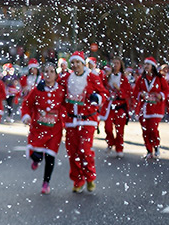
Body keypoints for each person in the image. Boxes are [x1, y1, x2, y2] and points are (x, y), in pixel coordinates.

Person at [60, 51, 108, 193]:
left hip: (88, 119)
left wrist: (96, 98)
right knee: (73, 152)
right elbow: (56, 90)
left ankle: (90, 176)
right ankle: (78, 180)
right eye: (73, 63)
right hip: (71, 120)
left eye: (77, 63)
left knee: (85, 149)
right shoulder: (66, 78)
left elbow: (103, 93)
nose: (75, 65)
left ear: (83, 63)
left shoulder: (92, 77)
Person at [21, 62, 66, 194]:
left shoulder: (61, 90)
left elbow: (66, 106)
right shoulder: (37, 90)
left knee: (50, 157)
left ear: (56, 75)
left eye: (52, 71)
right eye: (46, 71)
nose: (49, 74)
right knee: (38, 156)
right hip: (38, 128)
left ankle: (46, 182)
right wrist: (26, 116)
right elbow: (26, 104)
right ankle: (36, 159)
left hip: (54, 129)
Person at [133, 56, 169, 159]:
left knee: (153, 129)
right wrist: (141, 94)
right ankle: (149, 150)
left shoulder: (160, 78)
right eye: (145, 64)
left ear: (153, 66)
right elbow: (136, 91)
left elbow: (166, 90)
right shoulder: (141, 79)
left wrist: (161, 95)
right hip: (144, 108)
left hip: (156, 108)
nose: (146, 66)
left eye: (148, 64)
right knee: (145, 130)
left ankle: (156, 145)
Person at [101, 58, 132, 157]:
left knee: (120, 129)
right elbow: (101, 86)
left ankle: (119, 148)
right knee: (108, 127)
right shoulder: (108, 77)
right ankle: (110, 142)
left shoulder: (123, 78)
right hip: (110, 106)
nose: (115, 65)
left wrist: (119, 89)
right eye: (113, 63)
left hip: (120, 106)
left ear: (121, 65)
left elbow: (128, 92)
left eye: (117, 63)